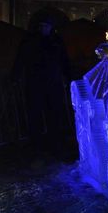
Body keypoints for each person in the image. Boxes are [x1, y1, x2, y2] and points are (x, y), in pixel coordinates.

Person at [13, 16, 71, 163]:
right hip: (36, 84)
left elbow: (64, 61)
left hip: (52, 84)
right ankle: (37, 146)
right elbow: (21, 59)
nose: (43, 28)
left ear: (51, 27)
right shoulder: (31, 41)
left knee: (54, 115)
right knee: (35, 116)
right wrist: (15, 76)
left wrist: (69, 76)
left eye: (46, 25)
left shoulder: (56, 41)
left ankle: (54, 145)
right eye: (41, 25)